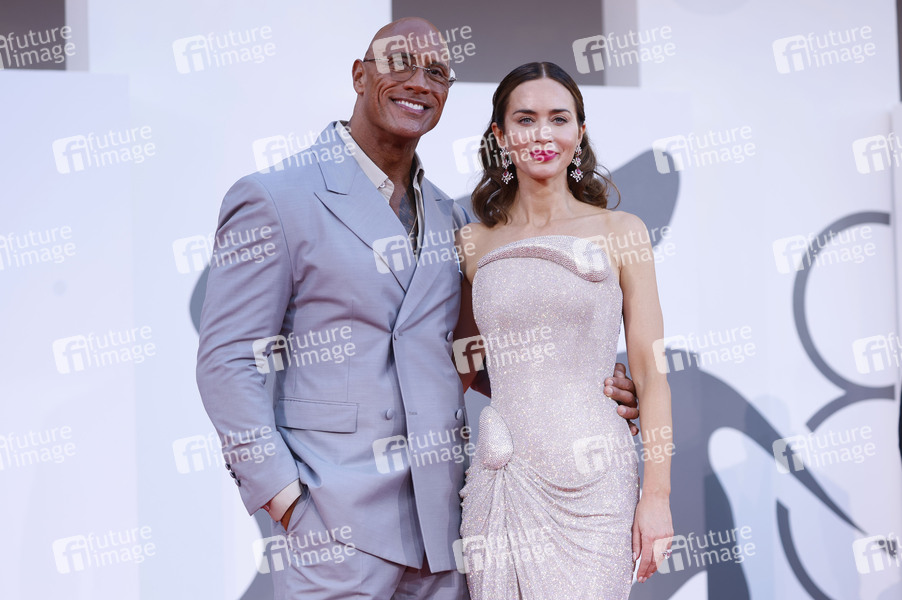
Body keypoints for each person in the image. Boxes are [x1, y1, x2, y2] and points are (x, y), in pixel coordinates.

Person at [196, 19, 640, 600]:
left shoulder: (451, 217)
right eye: (399, 62)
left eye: (436, 72)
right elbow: (226, 360)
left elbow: (460, 353)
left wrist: (583, 384)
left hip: (444, 524)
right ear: (359, 75)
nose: (418, 81)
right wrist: (282, 495)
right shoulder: (276, 197)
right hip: (332, 519)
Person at [455, 62, 673, 599]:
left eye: (558, 118)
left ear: (579, 132)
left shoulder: (621, 231)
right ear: (500, 135)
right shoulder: (472, 242)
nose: (542, 134)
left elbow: (651, 372)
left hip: (596, 482)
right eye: (525, 119)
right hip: (502, 478)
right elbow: (462, 361)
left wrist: (657, 497)